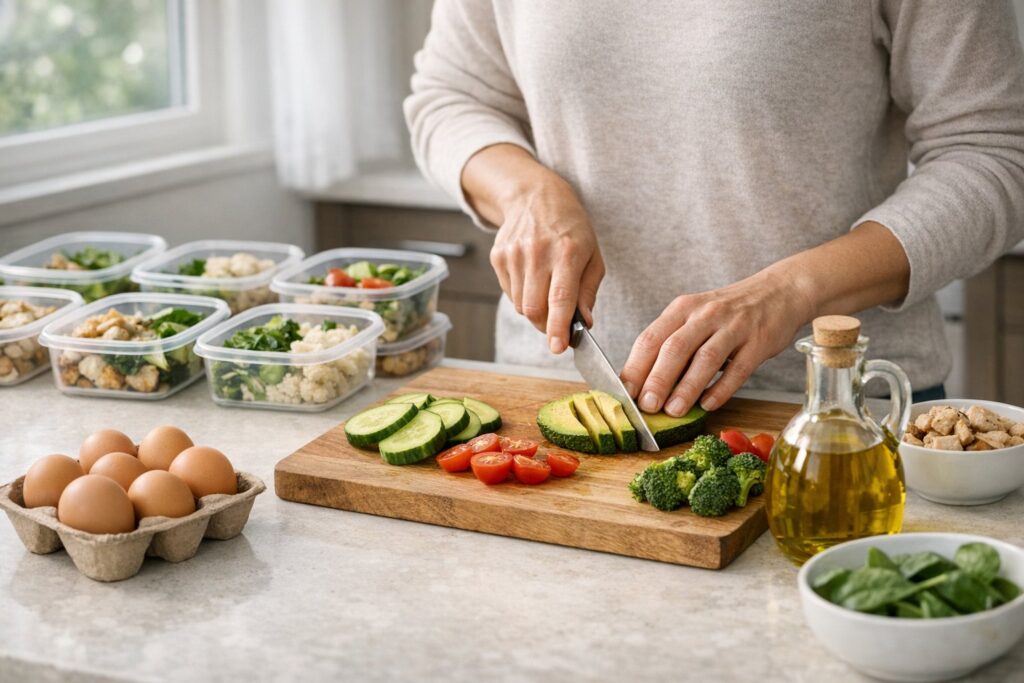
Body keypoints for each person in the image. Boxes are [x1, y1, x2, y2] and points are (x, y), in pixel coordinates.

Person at [404, 1, 1024, 416]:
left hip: (830, 413)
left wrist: (793, 293)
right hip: (556, 394)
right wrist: (527, 192)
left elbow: (995, 151)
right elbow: (450, 96)